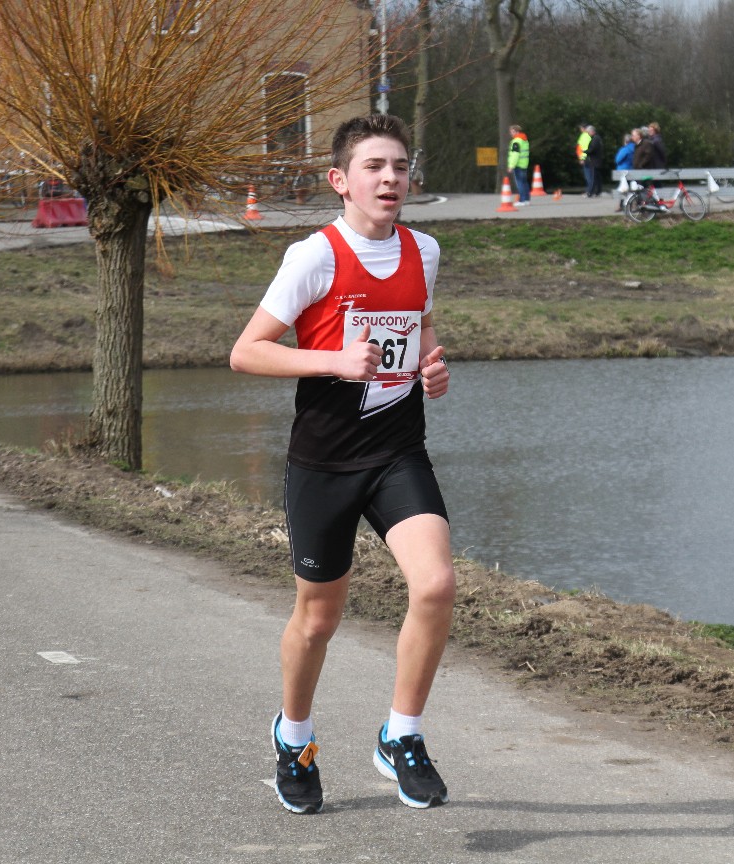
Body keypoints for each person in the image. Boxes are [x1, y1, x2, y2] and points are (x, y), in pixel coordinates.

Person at [230, 113, 455, 815]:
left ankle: (402, 735)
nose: (390, 179)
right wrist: (332, 361)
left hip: (397, 450)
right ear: (340, 180)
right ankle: (293, 740)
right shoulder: (315, 257)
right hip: (325, 462)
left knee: (436, 584)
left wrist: (431, 366)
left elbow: (420, 326)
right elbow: (246, 352)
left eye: (400, 167)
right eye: (374, 167)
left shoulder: (424, 250)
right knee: (318, 619)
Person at [507, 124, 531, 205]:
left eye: (512, 132)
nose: (511, 133)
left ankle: (522, 200)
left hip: (518, 164)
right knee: (524, 182)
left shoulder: (516, 141)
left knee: (520, 183)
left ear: (517, 132)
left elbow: (515, 154)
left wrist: (511, 166)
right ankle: (526, 200)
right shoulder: (524, 140)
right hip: (524, 164)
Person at [613, 132, 636, 212]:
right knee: (632, 188)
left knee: (623, 188)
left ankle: (620, 205)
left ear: (625, 141)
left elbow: (618, 160)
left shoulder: (625, 149)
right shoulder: (635, 148)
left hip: (623, 170)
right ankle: (633, 205)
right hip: (632, 170)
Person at [583, 124, 603, 197]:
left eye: (588, 132)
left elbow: (592, 149)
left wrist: (585, 151)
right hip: (598, 161)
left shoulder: (595, 139)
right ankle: (598, 191)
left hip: (595, 161)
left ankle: (590, 192)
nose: (588, 134)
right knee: (597, 177)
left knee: (593, 177)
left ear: (592, 131)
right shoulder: (598, 138)